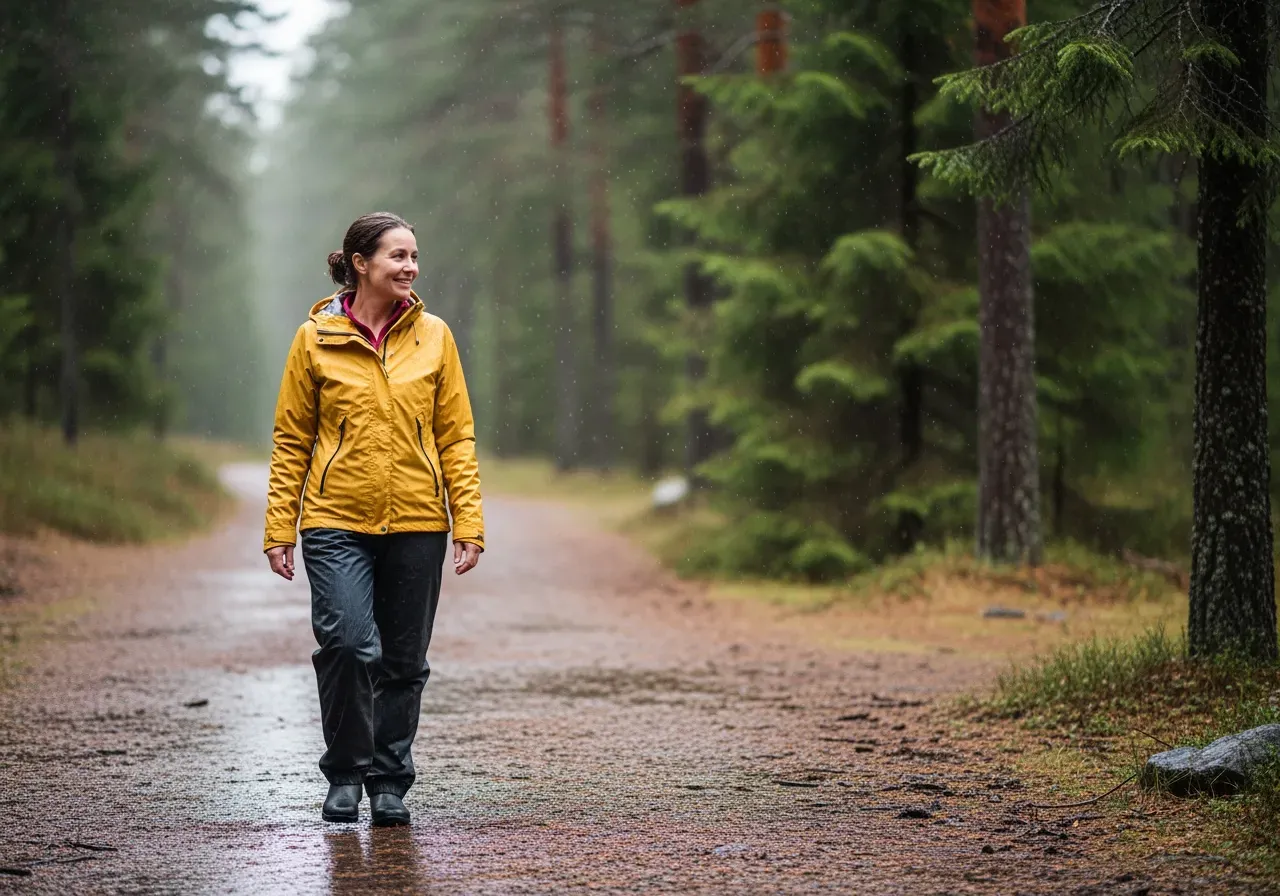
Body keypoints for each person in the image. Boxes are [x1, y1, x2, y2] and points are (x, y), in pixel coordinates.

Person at [262, 212, 484, 827]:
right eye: (397, 256)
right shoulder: (315, 339)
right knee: (348, 645)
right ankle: (345, 771)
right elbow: (292, 439)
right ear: (361, 263)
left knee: (404, 660)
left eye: (414, 256)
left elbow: (456, 437)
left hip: (417, 519)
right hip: (335, 520)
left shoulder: (435, 336)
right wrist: (280, 526)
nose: (410, 267)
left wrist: (468, 520)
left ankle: (389, 782)